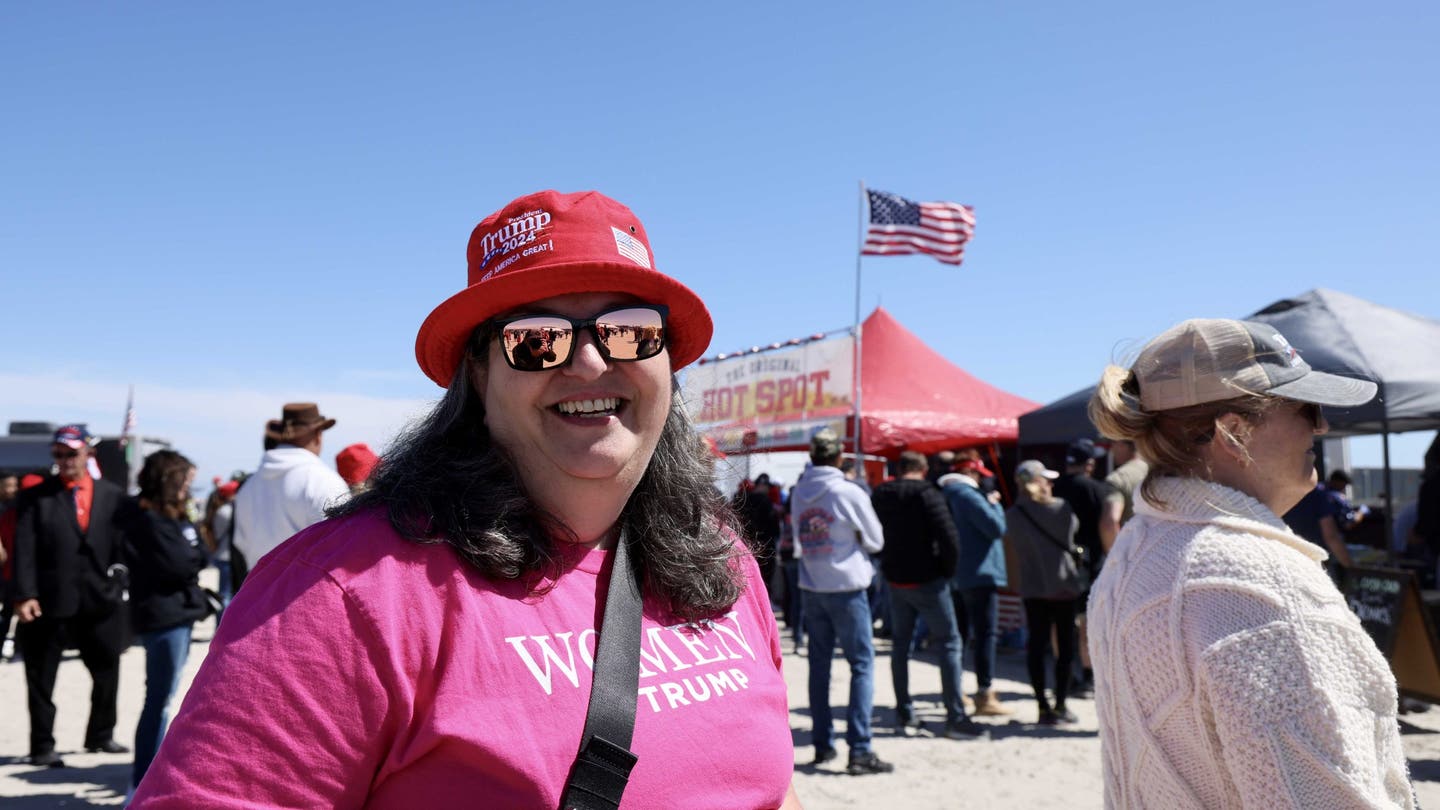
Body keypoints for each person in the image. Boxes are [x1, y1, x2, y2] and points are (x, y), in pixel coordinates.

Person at [130, 190, 798, 808]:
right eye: (536, 340)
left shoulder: (719, 557)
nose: (591, 363)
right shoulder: (344, 598)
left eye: (630, 331)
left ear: (668, 362)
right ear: (477, 374)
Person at [1087, 317, 1413, 807]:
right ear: (1234, 431)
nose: (1321, 425)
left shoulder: (1136, 549)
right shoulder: (1259, 582)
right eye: (1306, 407)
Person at [12, 425, 131, 767]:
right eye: (58, 455)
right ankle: (42, 746)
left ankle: (100, 735)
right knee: (40, 677)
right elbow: (24, 548)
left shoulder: (112, 495)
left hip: (99, 600)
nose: (64, 461)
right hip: (49, 601)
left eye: (71, 454)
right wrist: (24, 595)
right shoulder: (36, 497)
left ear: (87, 454)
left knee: (107, 671)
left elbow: (123, 544)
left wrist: (120, 582)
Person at [793, 427, 892, 774]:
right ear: (838, 457)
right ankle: (860, 749)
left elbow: (797, 537)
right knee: (861, 665)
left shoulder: (799, 491)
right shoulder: (847, 492)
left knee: (819, 667)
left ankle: (823, 744)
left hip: (813, 584)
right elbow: (877, 540)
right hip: (847, 586)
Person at [871, 451, 987, 740]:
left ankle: (904, 712)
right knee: (949, 643)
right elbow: (950, 538)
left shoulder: (880, 494)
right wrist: (946, 572)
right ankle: (955, 716)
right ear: (922, 469)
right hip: (928, 580)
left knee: (901, 645)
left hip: (896, 581)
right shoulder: (928, 493)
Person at [123, 449, 210, 794]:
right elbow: (179, 564)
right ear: (168, 480)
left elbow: (201, 553)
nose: (188, 488)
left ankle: (147, 774)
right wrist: (190, 555)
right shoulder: (145, 519)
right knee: (159, 699)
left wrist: (190, 550)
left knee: (166, 696)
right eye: (185, 481)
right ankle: (142, 779)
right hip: (163, 616)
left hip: (179, 612)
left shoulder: (176, 517)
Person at [1004, 460, 1083, 725]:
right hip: (1063, 586)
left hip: (1032, 587)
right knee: (1065, 648)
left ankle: (1042, 706)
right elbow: (1072, 535)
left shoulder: (1013, 514)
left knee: (1037, 647)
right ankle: (1060, 703)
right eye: (1046, 478)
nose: (1050, 483)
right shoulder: (1061, 509)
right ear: (1038, 481)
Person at [938, 454, 1012, 717]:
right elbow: (995, 528)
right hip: (979, 574)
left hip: (955, 575)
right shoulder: (969, 496)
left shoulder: (945, 494)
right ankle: (984, 693)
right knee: (985, 635)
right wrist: (994, 505)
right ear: (971, 472)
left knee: (957, 635)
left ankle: (955, 691)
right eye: (979, 475)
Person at [231, 403, 350, 565]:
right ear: (318, 435)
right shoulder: (322, 480)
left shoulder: (249, 486)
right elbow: (339, 549)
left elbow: (241, 542)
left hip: (258, 586)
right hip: (305, 588)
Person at [732, 473, 781, 602]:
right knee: (765, 581)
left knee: (747, 581)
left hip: (744, 545)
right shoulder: (766, 502)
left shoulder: (742, 498)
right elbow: (774, 528)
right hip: (765, 546)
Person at [1098, 440, 1147, 553]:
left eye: (1112, 444)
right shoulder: (1157, 473)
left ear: (1122, 444)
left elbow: (1109, 523)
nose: (1111, 450)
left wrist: (1114, 559)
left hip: (1131, 554)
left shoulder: (1118, 478)